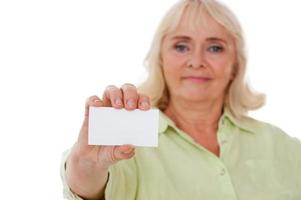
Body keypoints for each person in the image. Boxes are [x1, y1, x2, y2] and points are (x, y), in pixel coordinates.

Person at [60, 0, 301, 199]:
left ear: (236, 64)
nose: (196, 61)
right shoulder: (126, 142)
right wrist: (87, 166)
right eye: (181, 46)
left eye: (215, 48)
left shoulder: (284, 147)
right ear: (160, 58)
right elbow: (89, 185)